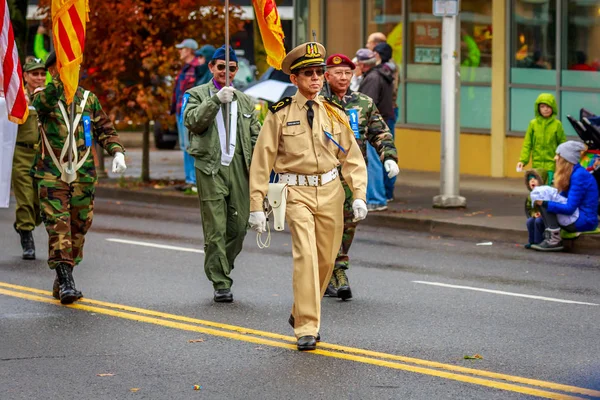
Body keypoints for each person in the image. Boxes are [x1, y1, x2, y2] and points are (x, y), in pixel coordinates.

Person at [248, 42, 368, 351]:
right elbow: (262, 161)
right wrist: (256, 206)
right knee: (305, 255)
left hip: (330, 191)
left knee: (326, 261)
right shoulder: (279, 114)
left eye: (319, 73)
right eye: (308, 74)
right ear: (295, 79)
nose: (316, 79)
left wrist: (358, 194)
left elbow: (351, 157)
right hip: (296, 191)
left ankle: (298, 310)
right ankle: (306, 326)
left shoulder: (335, 114)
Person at [33, 52, 127, 304]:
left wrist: (117, 152)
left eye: (75, 66)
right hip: (52, 175)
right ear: (53, 69)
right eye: (66, 66)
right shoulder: (44, 96)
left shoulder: (89, 100)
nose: (73, 70)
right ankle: (66, 282)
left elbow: (105, 130)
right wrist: (59, 81)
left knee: (79, 227)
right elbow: (43, 105)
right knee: (58, 225)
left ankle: (64, 275)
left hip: (83, 176)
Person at [183, 45, 260, 303]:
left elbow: (256, 136)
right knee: (215, 228)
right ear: (211, 68)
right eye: (220, 67)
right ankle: (220, 281)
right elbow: (192, 121)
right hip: (210, 168)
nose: (226, 72)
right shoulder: (195, 94)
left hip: (239, 167)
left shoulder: (247, 101)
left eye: (231, 68)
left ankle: (222, 266)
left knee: (238, 228)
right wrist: (215, 100)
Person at [323, 53, 398, 299]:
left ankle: (337, 269)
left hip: (353, 175)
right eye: (338, 73)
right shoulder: (316, 102)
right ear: (327, 75)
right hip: (322, 175)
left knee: (348, 223)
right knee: (324, 225)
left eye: (347, 72)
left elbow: (379, 132)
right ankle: (330, 271)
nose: (343, 77)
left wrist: (389, 157)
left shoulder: (363, 103)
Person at [532, 141, 599, 252]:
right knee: (543, 207)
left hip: (585, 221)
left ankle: (554, 241)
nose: (555, 158)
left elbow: (569, 208)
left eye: (558, 155)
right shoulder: (572, 173)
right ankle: (542, 239)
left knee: (545, 203)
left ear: (567, 159)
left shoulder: (579, 175)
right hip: (578, 216)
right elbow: (561, 198)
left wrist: (544, 203)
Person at [12, 59, 46, 260]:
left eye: (43, 73)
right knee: (24, 198)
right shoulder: (17, 97)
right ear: (25, 76)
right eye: (35, 74)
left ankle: (22, 224)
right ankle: (27, 237)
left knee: (41, 203)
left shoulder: (47, 98)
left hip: (42, 156)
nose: (39, 78)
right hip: (21, 154)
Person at [356, 48, 395, 211]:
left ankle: (376, 199)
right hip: (384, 121)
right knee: (382, 160)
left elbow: (365, 104)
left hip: (373, 125)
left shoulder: (372, 78)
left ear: (362, 65)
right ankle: (382, 196)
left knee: (373, 163)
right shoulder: (382, 73)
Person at [171, 38, 202, 193]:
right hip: (180, 111)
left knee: (190, 146)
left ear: (189, 50)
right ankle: (189, 180)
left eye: (182, 49)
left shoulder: (195, 67)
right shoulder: (185, 68)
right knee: (185, 146)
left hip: (188, 112)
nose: (180, 51)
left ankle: (194, 181)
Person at [516, 93, 566, 184]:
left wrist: (559, 154)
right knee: (536, 190)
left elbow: (562, 143)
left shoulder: (557, 124)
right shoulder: (533, 124)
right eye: (542, 106)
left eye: (548, 106)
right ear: (538, 108)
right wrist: (522, 161)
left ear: (553, 107)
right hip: (536, 165)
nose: (545, 109)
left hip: (551, 165)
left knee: (548, 190)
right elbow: (527, 144)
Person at [372, 42, 400, 202]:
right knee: (388, 153)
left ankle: (382, 194)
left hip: (383, 114)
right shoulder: (392, 69)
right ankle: (388, 192)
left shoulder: (382, 72)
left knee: (382, 154)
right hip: (389, 112)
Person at [523, 169, 547, 249]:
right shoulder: (530, 196)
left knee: (538, 221)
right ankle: (532, 241)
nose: (532, 181)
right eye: (530, 179)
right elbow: (529, 209)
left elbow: (548, 206)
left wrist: (542, 214)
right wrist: (533, 213)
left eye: (535, 178)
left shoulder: (546, 193)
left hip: (547, 218)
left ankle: (538, 242)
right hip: (537, 215)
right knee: (530, 221)